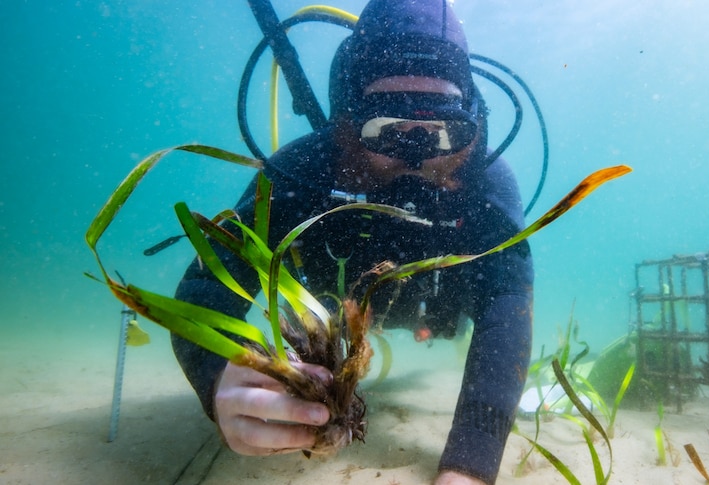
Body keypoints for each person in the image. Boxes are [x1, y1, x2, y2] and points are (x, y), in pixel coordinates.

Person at [172, 0, 533, 483]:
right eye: (387, 130)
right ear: (345, 124)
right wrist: (218, 375)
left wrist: (470, 464)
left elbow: (508, 304)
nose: (416, 159)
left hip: (436, 312)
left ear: (469, 127)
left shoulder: (484, 183)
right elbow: (203, 289)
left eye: (439, 133)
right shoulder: (302, 172)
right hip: (331, 308)